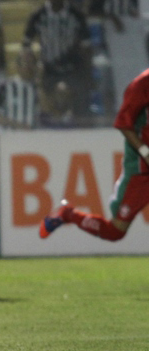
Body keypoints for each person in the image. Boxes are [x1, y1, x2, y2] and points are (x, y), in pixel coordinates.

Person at [40, 68, 149, 241]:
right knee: (115, 231)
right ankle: (68, 214)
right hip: (141, 170)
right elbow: (123, 123)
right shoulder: (142, 84)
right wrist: (145, 152)